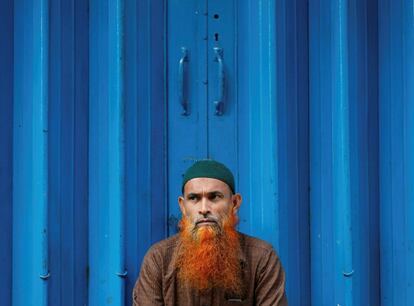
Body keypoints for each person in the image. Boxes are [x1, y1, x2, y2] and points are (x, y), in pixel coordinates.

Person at [133, 159, 288, 305]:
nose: (204, 209)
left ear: (234, 203)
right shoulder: (158, 260)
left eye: (214, 197)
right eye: (194, 198)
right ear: (183, 206)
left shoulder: (261, 259)